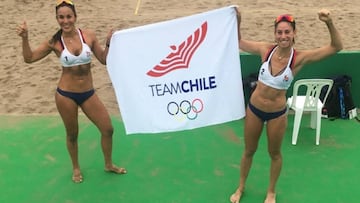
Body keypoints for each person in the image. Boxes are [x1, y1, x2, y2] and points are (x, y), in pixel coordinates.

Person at [230, 8, 342, 203]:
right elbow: (238, 42)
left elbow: (336, 47)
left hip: (276, 115)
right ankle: (240, 187)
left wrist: (329, 22)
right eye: (279, 32)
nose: (283, 36)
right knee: (249, 150)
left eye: (287, 32)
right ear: (275, 34)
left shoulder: (299, 58)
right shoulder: (265, 50)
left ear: (294, 34)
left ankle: (271, 192)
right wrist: (238, 19)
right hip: (254, 110)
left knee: (274, 153)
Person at [16, 0, 127, 183]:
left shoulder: (88, 36)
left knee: (107, 129)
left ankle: (108, 164)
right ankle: (76, 168)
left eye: (68, 16)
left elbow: (103, 59)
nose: (65, 21)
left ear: (75, 17)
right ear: (57, 19)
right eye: (61, 17)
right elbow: (29, 58)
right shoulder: (54, 42)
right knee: (72, 134)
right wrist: (25, 38)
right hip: (66, 95)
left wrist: (108, 44)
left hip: (88, 93)